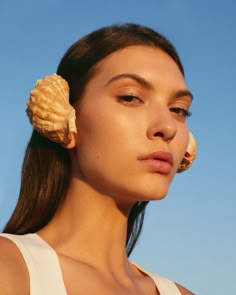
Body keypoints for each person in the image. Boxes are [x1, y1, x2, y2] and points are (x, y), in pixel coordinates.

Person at [0, 23, 197, 294]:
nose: (168, 126)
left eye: (178, 109)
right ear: (64, 116)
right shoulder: (8, 270)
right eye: (130, 97)